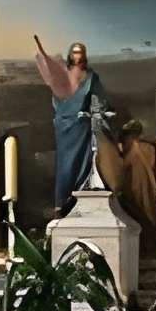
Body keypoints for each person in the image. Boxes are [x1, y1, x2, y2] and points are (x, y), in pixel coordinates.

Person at [29, 34, 107, 215]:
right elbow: (57, 97)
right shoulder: (61, 74)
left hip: (82, 126)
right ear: (70, 55)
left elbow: (100, 100)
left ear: (84, 55)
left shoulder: (91, 77)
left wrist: (96, 113)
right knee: (65, 163)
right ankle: (62, 202)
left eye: (80, 53)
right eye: (74, 52)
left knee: (84, 162)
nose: (77, 56)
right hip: (65, 127)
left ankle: (79, 198)